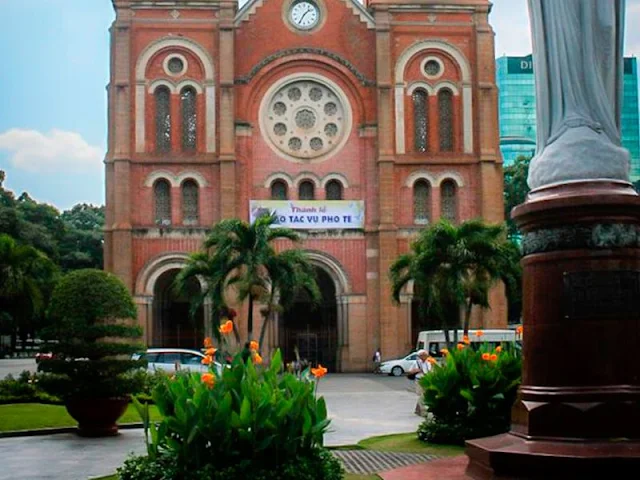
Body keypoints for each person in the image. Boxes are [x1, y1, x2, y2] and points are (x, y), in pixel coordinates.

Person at [408, 349, 431, 416]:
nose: (424, 356)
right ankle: (423, 411)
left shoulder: (428, 363)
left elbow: (429, 371)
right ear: (419, 356)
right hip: (419, 380)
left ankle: (417, 410)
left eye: (425, 355)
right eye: (422, 355)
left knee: (423, 395)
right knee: (421, 395)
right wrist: (416, 371)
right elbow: (409, 372)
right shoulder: (416, 363)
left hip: (426, 380)